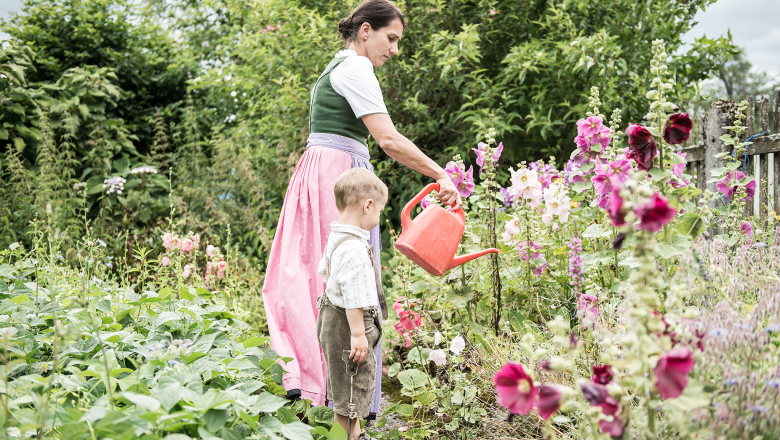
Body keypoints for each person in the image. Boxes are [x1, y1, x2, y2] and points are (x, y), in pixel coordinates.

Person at [261, 0, 462, 416]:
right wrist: (440, 174)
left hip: (321, 174)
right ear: (366, 30)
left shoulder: (335, 67)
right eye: (391, 39)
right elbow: (387, 140)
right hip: (339, 177)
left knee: (317, 273)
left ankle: (315, 385)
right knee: (347, 278)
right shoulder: (355, 68)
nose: (394, 49)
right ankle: (341, 396)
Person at [316, 169, 387, 440]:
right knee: (346, 404)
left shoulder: (338, 238)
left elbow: (327, 272)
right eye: (379, 210)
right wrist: (358, 334)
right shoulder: (355, 250)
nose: (378, 216)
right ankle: (342, 437)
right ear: (367, 205)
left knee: (349, 396)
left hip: (332, 324)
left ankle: (356, 436)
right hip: (349, 330)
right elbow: (354, 297)